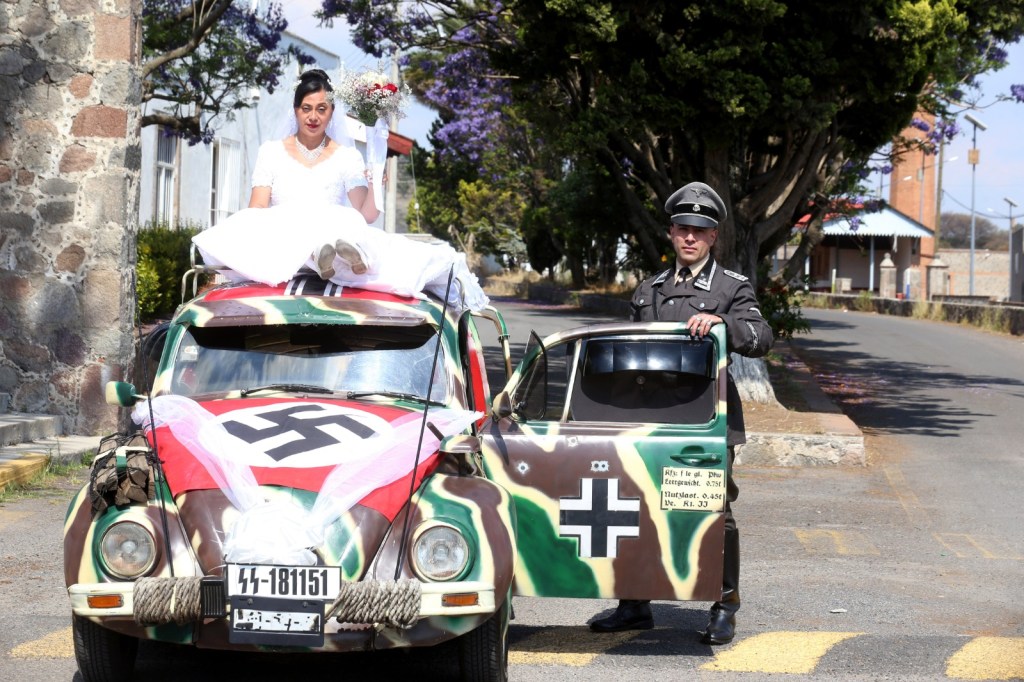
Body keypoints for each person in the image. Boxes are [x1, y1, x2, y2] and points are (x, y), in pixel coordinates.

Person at [587, 181, 773, 645]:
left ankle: (724, 605)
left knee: (714, 512)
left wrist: (723, 323)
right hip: (648, 420)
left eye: (700, 231)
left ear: (713, 238)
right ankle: (634, 604)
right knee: (635, 507)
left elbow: (761, 337)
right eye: (682, 229)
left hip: (704, 425)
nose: (690, 238)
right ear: (671, 233)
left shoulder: (732, 288)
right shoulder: (649, 289)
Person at [193, 69, 488, 312]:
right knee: (258, 221)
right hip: (285, 230)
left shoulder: (347, 156)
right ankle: (321, 252)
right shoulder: (271, 152)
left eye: (321, 109)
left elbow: (367, 213)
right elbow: (257, 207)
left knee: (346, 221)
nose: (313, 116)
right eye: (306, 108)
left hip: (334, 227)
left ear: (332, 113)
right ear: (295, 111)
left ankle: (339, 254)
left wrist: (375, 180)